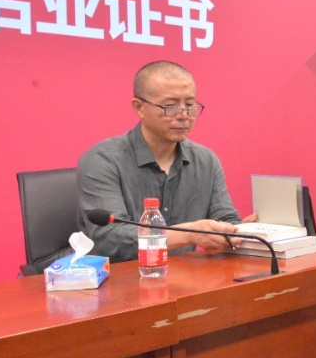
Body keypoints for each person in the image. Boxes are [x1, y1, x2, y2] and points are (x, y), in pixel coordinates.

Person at [77, 60, 251, 262]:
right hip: (121, 277)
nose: (184, 115)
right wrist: (189, 234)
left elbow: (225, 217)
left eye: (190, 105)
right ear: (139, 107)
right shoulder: (101, 161)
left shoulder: (206, 161)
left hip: (184, 276)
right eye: (170, 106)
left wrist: (244, 231)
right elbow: (109, 238)